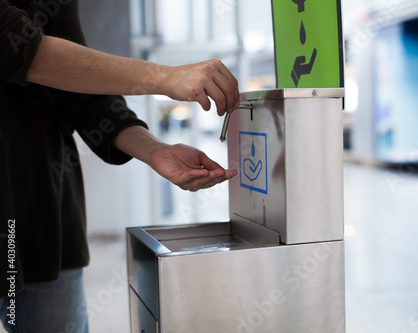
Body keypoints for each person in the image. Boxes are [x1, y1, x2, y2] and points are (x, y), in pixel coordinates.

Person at [0, 0, 239, 332]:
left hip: (45, 213)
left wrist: (155, 150)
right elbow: (18, 46)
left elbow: (79, 91)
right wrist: (165, 76)